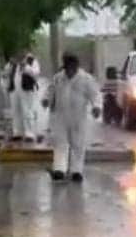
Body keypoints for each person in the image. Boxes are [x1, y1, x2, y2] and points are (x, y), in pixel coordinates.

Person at [43, 54, 101, 183]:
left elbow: (95, 94)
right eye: (67, 68)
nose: (69, 71)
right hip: (60, 116)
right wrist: (46, 100)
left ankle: (76, 171)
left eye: (72, 68)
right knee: (60, 142)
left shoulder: (86, 79)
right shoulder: (58, 78)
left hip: (78, 117)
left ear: (76, 66)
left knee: (78, 144)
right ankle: (59, 170)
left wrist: (96, 107)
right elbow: (50, 91)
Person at [7, 54, 42, 143]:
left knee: (27, 110)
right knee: (15, 110)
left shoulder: (32, 60)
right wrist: (10, 65)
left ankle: (29, 133)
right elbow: (6, 73)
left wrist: (25, 66)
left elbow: (36, 73)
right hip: (15, 88)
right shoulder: (13, 60)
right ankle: (17, 132)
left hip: (26, 88)